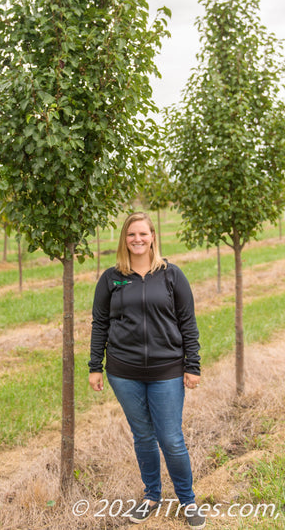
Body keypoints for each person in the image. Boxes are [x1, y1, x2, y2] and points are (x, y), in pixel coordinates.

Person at [88, 212, 206, 527]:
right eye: (131, 235)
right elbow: (100, 324)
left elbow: (188, 323)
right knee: (143, 436)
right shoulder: (111, 278)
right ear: (124, 239)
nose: (137, 240)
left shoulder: (172, 275)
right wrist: (94, 366)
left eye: (143, 234)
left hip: (167, 370)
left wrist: (192, 366)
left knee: (170, 438)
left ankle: (188, 501)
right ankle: (152, 496)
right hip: (123, 372)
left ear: (153, 236)